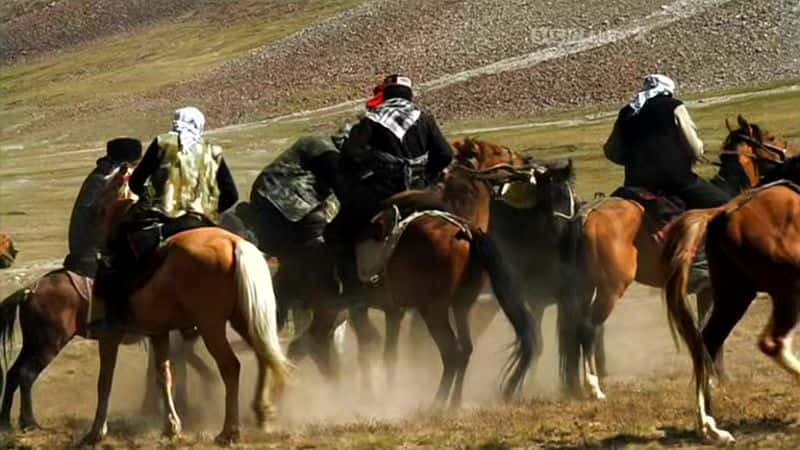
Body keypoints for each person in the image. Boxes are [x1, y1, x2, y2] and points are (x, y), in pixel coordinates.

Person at [94, 107, 238, 329]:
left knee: (116, 250)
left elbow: (136, 182)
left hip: (161, 216)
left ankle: (115, 316)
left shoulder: (162, 143)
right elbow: (231, 194)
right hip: (200, 219)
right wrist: (209, 209)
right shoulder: (213, 150)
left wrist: (149, 198)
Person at [327, 74, 454, 293]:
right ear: (410, 95)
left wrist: (372, 164)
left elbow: (351, 154)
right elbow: (445, 154)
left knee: (338, 230)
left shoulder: (373, 119)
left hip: (382, 192)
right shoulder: (425, 118)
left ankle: (353, 290)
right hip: (420, 189)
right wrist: (427, 175)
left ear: (385, 94)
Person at [604, 74, 729, 209]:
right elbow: (695, 148)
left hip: (636, 183)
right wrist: (695, 155)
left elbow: (611, 152)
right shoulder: (674, 106)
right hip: (675, 180)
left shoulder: (627, 112)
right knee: (725, 205)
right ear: (668, 91)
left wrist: (636, 161)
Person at [246, 129, 346, 257]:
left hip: (265, 194)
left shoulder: (317, 141)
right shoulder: (328, 153)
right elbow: (346, 195)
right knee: (320, 243)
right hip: (284, 206)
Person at [63, 138, 142, 277]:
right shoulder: (102, 181)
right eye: (136, 164)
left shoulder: (103, 176)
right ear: (127, 165)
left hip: (92, 249)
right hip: (91, 256)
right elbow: (108, 214)